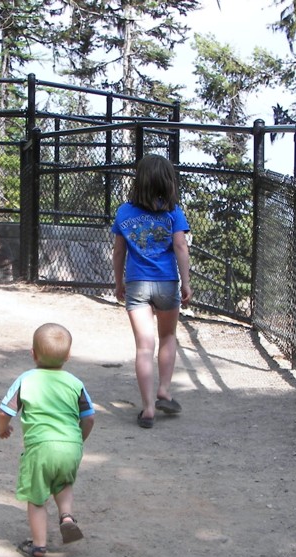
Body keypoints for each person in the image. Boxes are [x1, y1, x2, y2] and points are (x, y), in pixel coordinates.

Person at [0, 323, 95, 557]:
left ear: (33, 353)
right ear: (68, 356)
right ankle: (67, 516)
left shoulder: (26, 379)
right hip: (70, 447)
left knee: (37, 498)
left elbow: (4, 412)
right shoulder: (75, 383)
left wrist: (3, 429)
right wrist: (78, 441)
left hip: (40, 447)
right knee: (63, 482)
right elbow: (89, 417)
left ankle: (39, 546)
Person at [111, 154, 192, 429]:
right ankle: (164, 391)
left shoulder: (124, 212)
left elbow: (119, 250)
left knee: (144, 347)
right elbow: (181, 247)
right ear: (167, 181)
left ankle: (147, 409)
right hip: (167, 283)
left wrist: (118, 282)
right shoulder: (173, 212)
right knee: (167, 336)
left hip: (136, 284)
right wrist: (186, 282)